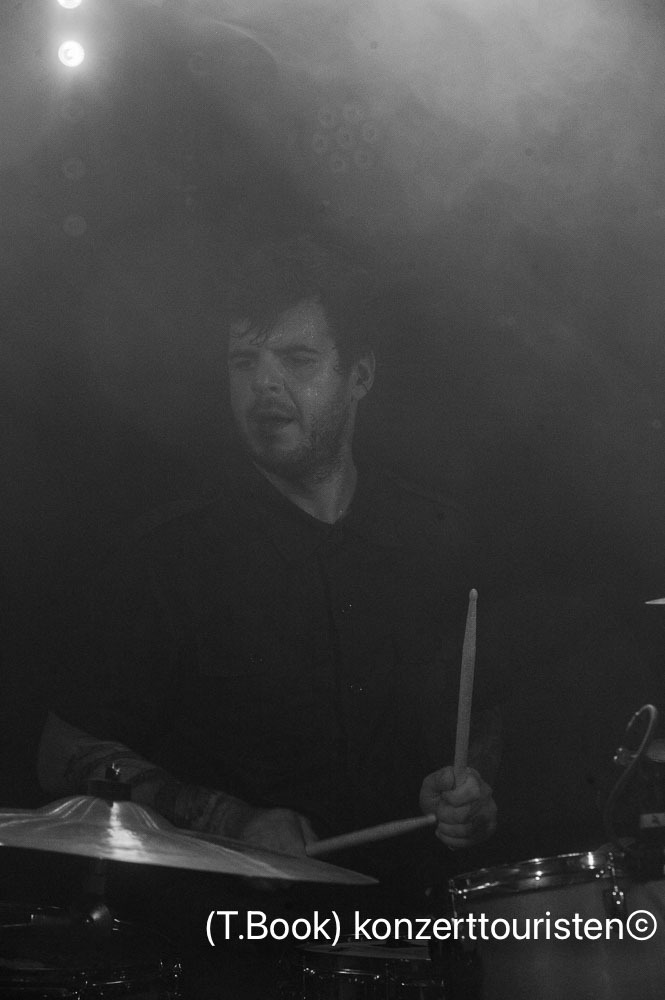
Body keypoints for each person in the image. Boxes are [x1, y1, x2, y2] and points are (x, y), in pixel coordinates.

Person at [36, 234, 501, 905]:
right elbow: (61, 751)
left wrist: (468, 784)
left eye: (297, 359)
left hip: (413, 924)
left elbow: (481, 711)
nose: (264, 384)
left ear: (360, 376)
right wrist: (230, 822)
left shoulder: (436, 538)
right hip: (232, 935)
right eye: (244, 361)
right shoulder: (170, 555)